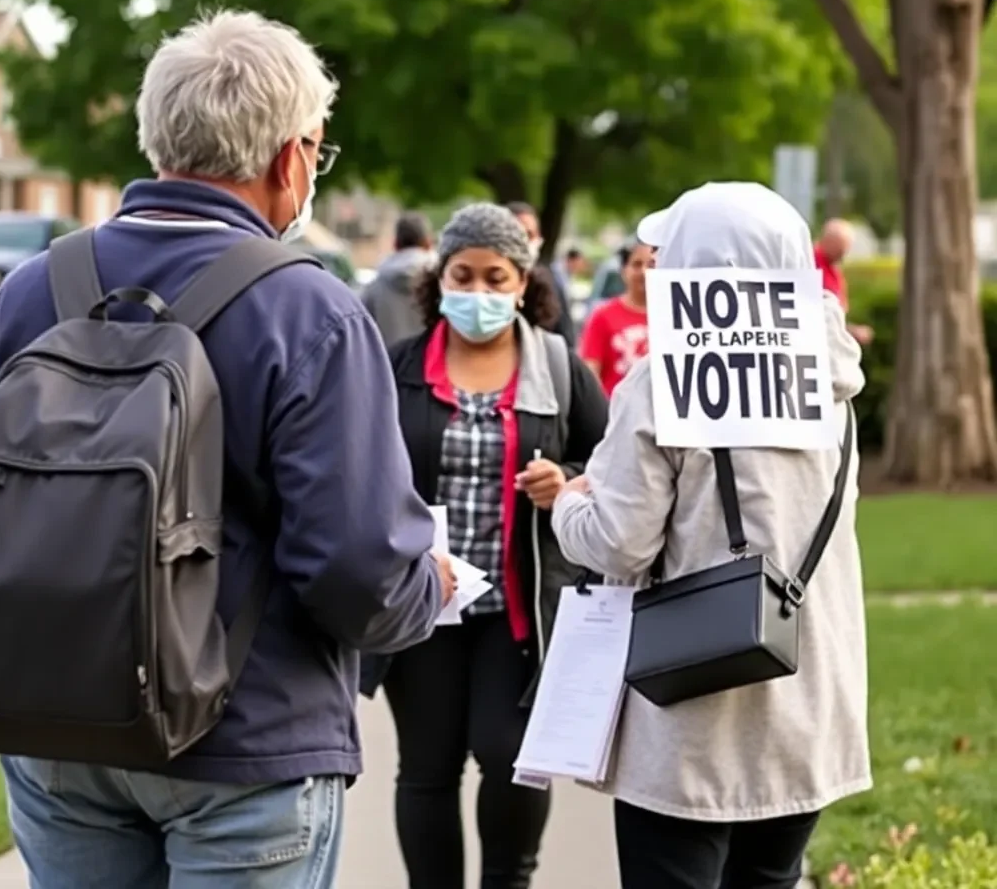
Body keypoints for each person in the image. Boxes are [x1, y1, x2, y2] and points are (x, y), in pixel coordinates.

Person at [0, 9, 454, 889]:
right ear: (289, 158)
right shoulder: (310, 310)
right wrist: (429, 588)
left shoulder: (33, 290)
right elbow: (357, 569)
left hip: (52, 724)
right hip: (246, 740)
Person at [552, 182, 870, 889]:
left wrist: (568, 507)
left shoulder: (661, 379)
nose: (654, 265)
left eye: (666, 252)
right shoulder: (831, 377)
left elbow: (619, 542)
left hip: (691, 718)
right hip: (806, 700)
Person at [361, 203, 609, 889]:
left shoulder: (558, 370)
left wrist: (569, 481)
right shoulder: (399, 367)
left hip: (520, 609)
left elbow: (610, 458)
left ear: (524, 282)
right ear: (439, 279)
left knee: (510, 754)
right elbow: (362, 466)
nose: (478, 293)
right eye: (462, 276)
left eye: (495, 278)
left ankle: (511, 879)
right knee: (429, 766)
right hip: (424, 606)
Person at [578, 239, 654, 396]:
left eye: (652, 265)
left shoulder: (673, 315)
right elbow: (590, 374)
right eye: (637, 264)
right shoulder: (602, 316)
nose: (644, 271)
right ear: (623, 270)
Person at [506, 202, 577, 345]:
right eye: (517, 235)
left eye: (529, 234)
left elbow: (566, 339)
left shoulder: (551, 282)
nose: (523, 242)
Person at [361, 211, 434, 345]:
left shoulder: (373, 290)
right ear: (428, 243)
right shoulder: (443, 287)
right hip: (431, 364)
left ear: (395, 244)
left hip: (387, 364)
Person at [814, 217, 874, 345]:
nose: (843, 254)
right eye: (840, 248)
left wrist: (850, 330)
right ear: (827, 241)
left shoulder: (834, 269)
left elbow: (836, 318)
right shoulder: (811, 264)